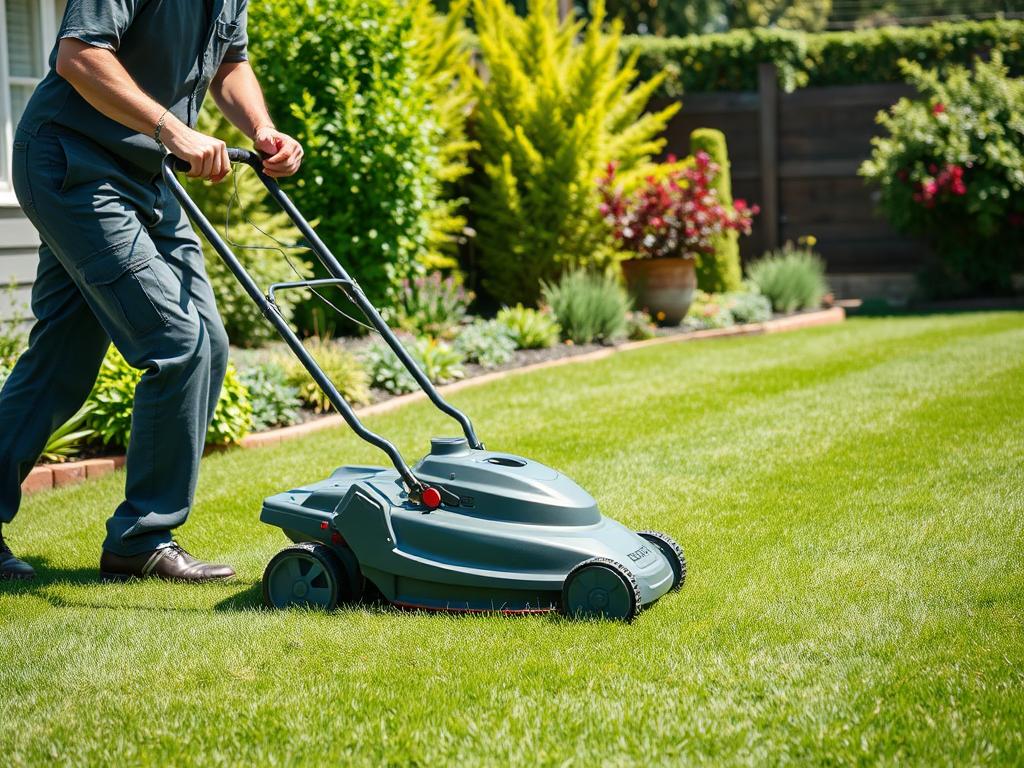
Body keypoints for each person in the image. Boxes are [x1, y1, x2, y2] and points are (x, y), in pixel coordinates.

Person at [0, 0, 303, 582]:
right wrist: (175, 130)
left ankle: (139, 537)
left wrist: (262, 129)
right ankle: (142, 537)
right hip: (73, 165)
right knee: (178, 341)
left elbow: (230, 63)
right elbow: (78, 55)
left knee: (78, 357)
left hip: (148, 177)